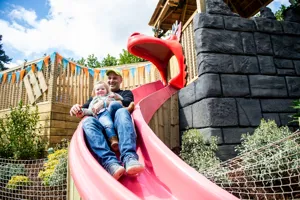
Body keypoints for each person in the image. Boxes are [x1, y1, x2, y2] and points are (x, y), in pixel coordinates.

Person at [70, 69, 144, 180]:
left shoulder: (125, 93)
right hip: (102, 130)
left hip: (119, 128)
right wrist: (76, 109)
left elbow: (126, 104)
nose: (111, 80)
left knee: (122, 111)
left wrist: (104, 102)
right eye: (109, 78)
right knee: (87, 121)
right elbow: (84, 109)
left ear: (120, 80)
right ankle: (110, 163)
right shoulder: (94, 98)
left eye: (115, 78)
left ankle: (129, 157)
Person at [80, 80, 134, 151]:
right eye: (98, 89)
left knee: (114, 104)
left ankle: (125, 109)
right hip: (102, 115)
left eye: (102, 89)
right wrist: (82, 111)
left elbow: (122, 99)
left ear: (107, 90)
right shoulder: (93, 100)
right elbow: (90, 110)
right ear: (94, 92)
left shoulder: (109, 96)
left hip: (113, 113)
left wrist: (115, 95)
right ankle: (113, 139)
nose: (100, 90)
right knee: (107, 123)